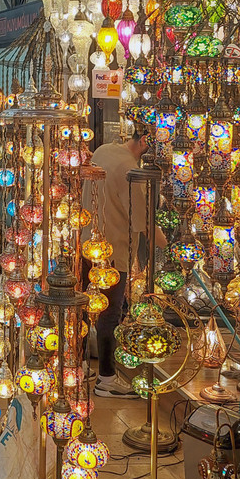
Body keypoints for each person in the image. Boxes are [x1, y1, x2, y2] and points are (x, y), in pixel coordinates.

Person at [88, 128, 162, 399]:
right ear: (144, 141)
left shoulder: (103, 151)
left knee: (88, 309)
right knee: (109, 314)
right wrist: (169, 244)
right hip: (113, 250)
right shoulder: (130, 170)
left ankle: (83, 365)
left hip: (87, 243)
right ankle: (106, 378)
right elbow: (142, 218)